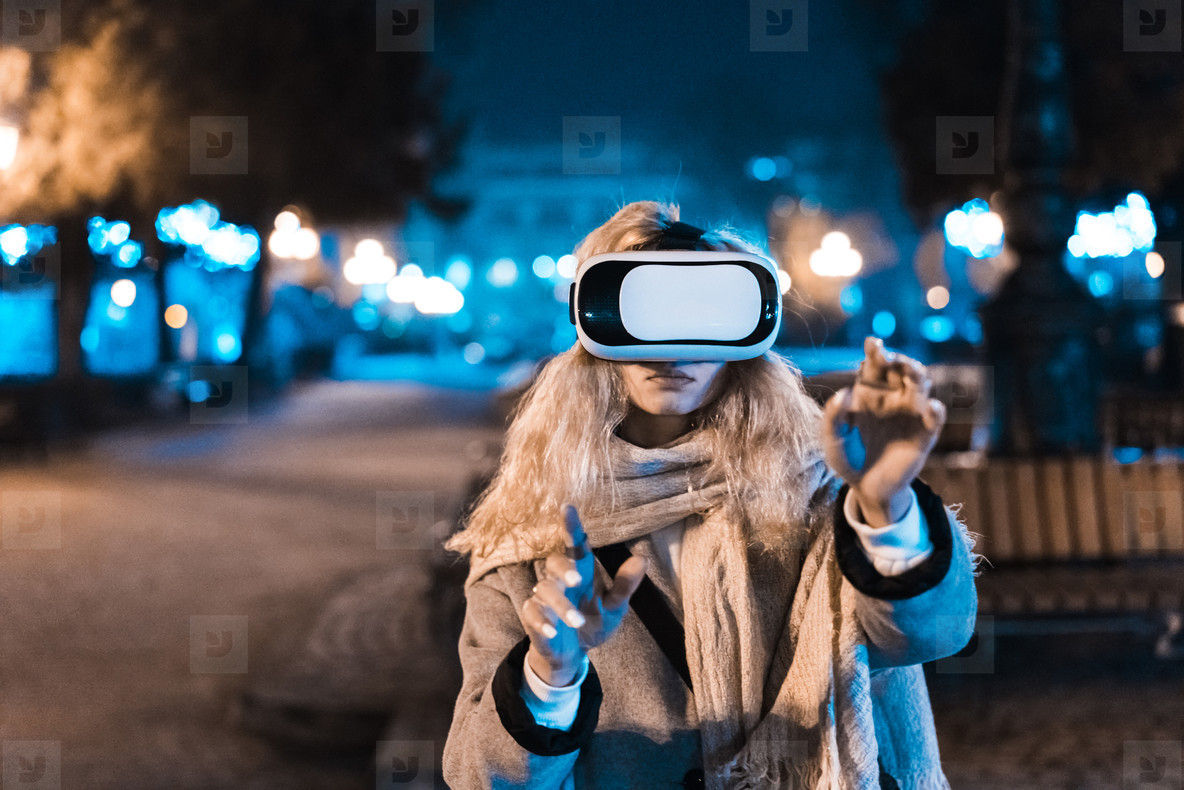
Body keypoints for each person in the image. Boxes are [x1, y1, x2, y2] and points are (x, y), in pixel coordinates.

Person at [442, 201, 978, 789]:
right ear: (596, 325)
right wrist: (549, 676)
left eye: (704, 313)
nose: (672, 350)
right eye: (644, 312)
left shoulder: (809, 494)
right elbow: (481, 779)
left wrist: (886, 505)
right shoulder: (530, 536)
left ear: (744, 333)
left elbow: (935, 633)